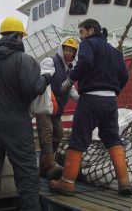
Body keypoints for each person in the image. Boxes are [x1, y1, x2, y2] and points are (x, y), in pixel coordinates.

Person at [0, 16, 52, 211]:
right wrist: (46, 78)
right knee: (26, 172)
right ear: (18, 37)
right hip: (17, 122)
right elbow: (32, 88)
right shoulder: (24, 60)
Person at [49, 19, 132, 196]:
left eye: (81, 32)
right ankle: (124, 182)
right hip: (110, 101)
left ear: (91, 30)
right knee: (112, 139)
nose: (80, 36)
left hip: (91, 99)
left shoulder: (87, 43)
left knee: (79, 139)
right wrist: (113, 90)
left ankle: (67, 183)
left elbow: (85, 61)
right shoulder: (114, 51)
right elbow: (124, 75)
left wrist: (70, 80)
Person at [36, 37, 79, 180]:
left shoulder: (69, 68)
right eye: (66, 49)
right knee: (47, 132)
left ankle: (43, 168)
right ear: (61, 49)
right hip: (45, 104)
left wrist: (80, 99)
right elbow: (43, 77)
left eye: (72, 51)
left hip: (57, 108)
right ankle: (50, 165)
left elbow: (71, 88)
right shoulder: (50, 61)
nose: (68, 53)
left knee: (59, 134)